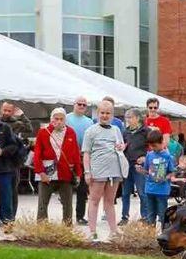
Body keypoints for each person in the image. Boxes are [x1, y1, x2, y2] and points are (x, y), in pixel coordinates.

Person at [81, 98, 126, 241]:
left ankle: (113, 231)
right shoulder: (90, 131)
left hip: (115, 171)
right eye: (102, 113)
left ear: (112, 115)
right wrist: (87, 172)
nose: (105, 116)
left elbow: (121, 146)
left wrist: (121, 147)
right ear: (97, 113)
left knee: (110, 201)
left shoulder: (116, 130)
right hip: (97, 171)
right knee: (94, 200)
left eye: (108, 113)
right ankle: (92, 231)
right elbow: (86, 153)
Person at [33, 107, 81, 223]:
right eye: (56, 119)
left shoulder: (71, 132)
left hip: (65, 173)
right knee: (42, 204)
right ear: (51, 119)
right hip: (47, 173)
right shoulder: (43, 132)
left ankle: (67, 228)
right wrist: (41, 172)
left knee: (67, 204)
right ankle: (42, 228)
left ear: (65, 120)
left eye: (61, 119)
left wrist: (78, 173)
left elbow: (76, 154)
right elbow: (37, 154)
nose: (59, 121)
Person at [65, 97, 95, 225]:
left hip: (83, 158)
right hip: (67, 157)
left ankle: (80, 216)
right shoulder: (66, 118)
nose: (82, 106)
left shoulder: (89, 122)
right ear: (74, 105)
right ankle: (66, 217)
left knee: (82, 190)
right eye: (79, 104)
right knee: (66, 189)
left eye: (84, 105)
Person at [138, 128, 175, 227]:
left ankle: (164, 233)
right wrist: (141, 170)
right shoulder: (149, 155)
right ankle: (151, 235)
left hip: (162, 190)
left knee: (163, 214)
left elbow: (172, 173)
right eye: (151, 146)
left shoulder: (168, 156)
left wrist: (165, 178)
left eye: (155, 145)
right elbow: (146, 171)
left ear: (162, 142)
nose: (153, 148)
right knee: (150, 214)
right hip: (150, 189)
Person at [121, 108, 149, 224]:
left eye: (130, 117)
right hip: (127, 165)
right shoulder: (125, 132)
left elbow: (153, 147)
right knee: (125, 193)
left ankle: (145, 217)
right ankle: (124, 217)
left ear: (137, 118)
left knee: (142, 192)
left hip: (140, 166)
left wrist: (145, 157)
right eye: (126, 117)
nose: (128, 120)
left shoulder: (146, 131)